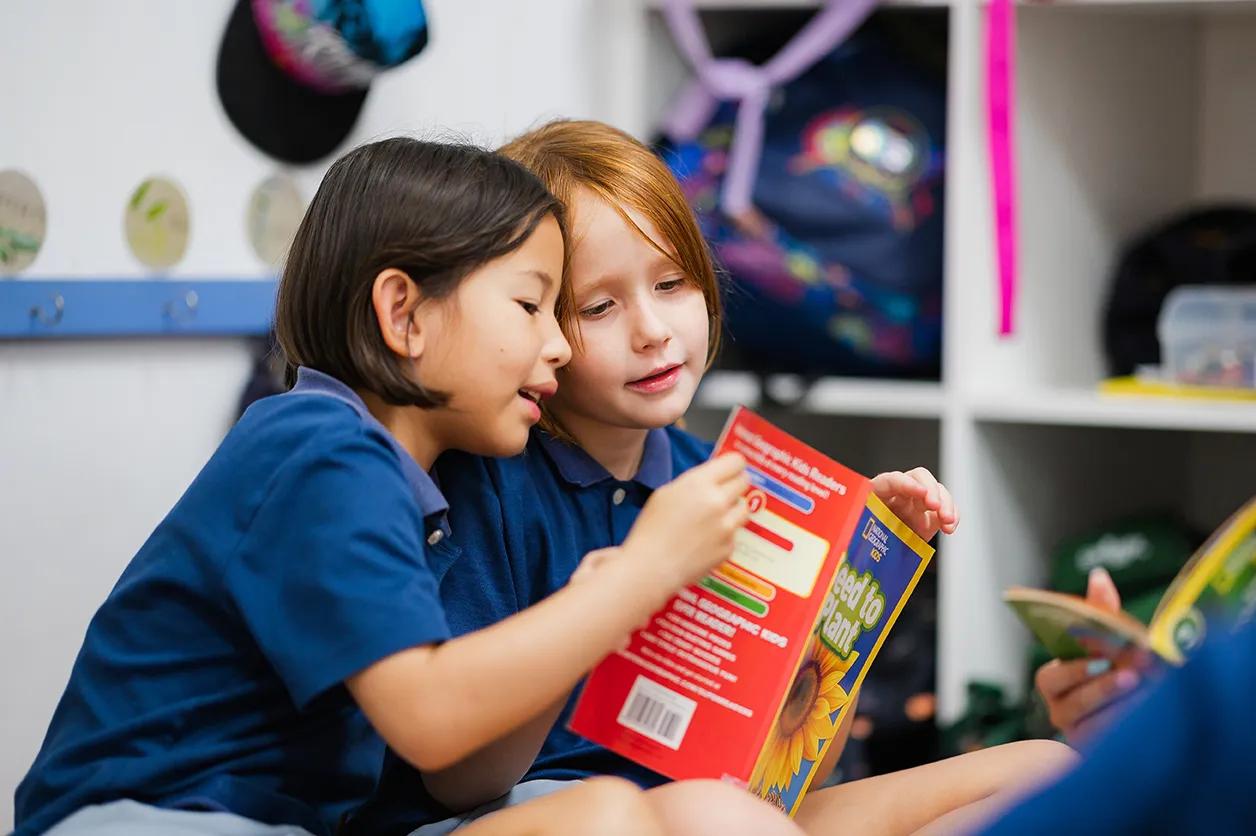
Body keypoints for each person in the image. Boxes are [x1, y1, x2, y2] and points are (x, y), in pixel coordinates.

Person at [15, 137, 785, 836]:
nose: (555, 346)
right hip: (140, 818)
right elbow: (429, 721)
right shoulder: (318, 450)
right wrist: (637, 578)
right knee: (608, 816)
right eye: (531, 306)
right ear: (403, 315)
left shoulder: (399, 482)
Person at [349, 121, 1075, 836]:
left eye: (672, 283)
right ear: (535, 327)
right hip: (533, 812)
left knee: (1044, 769)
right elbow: (460, 780)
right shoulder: (489, 481)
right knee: (717, 814)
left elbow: (793, 774)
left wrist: (845, 597)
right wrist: (614, 595)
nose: (653, 329)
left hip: (717, 808)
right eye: (599, 306)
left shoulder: (724, 484)